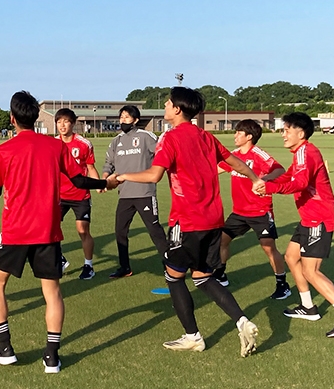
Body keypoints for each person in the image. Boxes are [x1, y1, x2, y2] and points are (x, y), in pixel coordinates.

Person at [0, 91, 118, 373]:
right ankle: (51, 356)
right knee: (52, 292)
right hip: (47, 231)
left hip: (14, 231)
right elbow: (79, 180)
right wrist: (105, 184)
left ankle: (5, 347)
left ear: (12, 118)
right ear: (37, 117)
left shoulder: (4, 150)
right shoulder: (56, 146)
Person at [117, 87, 260, 357]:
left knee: (173, 276)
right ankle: (242, 321)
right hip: (213, 220)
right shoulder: (206, 136)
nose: (165, 106)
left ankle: (193, 336)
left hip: (187, 220)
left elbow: (154, 175)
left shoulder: (170, 138)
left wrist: (123, 177)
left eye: (168, 103)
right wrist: (255, 179)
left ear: (177, 109)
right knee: (203, 278)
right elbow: (236, 162)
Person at [254, 112, 334, 337]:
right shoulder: (300, 153)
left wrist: (270, 188)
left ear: (301, 133)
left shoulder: (307, 152)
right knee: (291, 257)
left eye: (287, 130)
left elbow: (300, 183)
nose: (283, 134)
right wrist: (267, 180)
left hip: (319, 218)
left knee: (310, 271)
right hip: (309, 218)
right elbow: (290, 176)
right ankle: (308, 307)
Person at [215, 119, 291, 300]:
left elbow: (280, 170)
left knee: (268, 248)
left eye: (238, 133)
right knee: (222, 241)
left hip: (260, 211)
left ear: (249, 137)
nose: (235, 136)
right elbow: (216, 169)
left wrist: (264, 180)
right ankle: (220, 275)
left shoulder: (258, 154)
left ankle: (282, 284)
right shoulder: (234, 156)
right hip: (239, 212)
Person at [102, 105, 166, 278]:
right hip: (124, 194)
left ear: (136, 120)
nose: (123, 120)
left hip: (144, 193)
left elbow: (162, 154)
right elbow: (108, 164)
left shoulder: (146, 136)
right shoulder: (116, 141)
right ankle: (125, 267)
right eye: (121, 117)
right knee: (120, 231)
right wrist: (104, 179)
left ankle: (170, 266)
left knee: (155, 231)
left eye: (127, 117)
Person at [55, 108, 100, 280]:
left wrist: (98, 184)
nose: (62, 125)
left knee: (83, 230)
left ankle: (88, 266)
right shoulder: (53, 144)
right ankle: (58, 259)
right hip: (58, 195)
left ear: (73, 124)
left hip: (80, 195)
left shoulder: (84, 144)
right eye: (59, 122)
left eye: (66, 121)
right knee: (50, 228)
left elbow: (90, 167)